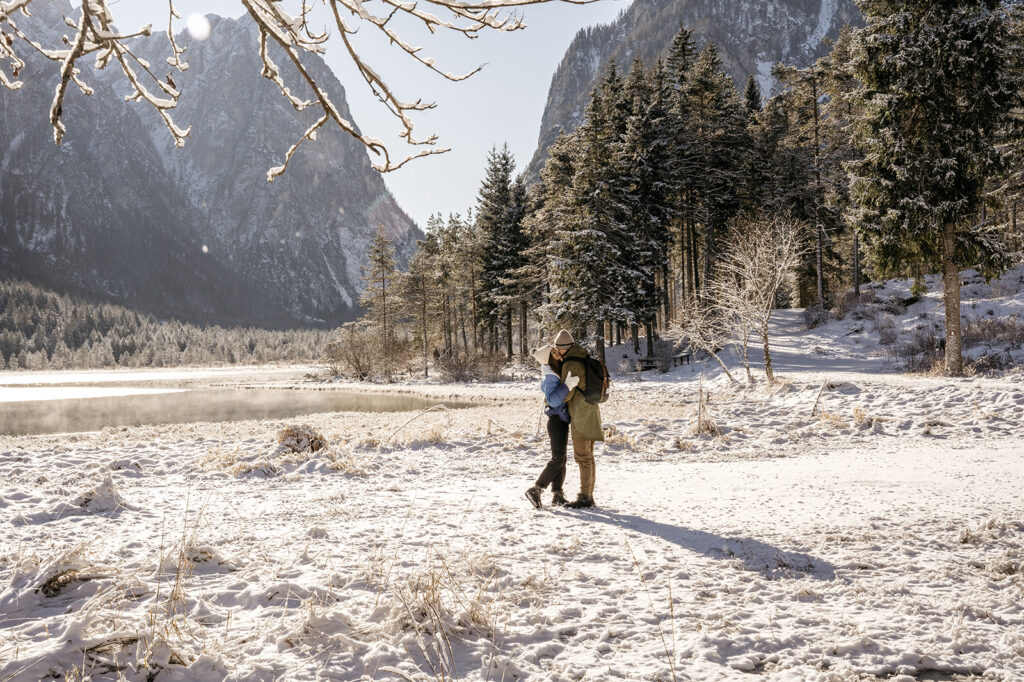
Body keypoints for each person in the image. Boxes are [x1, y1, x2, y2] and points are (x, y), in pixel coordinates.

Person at [551, 329, 603, 508]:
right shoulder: (581, 356)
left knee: (582, 457)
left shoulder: (571, 363)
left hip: (581, 413)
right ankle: (588, 494)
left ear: (562, 348)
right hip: (592, 410)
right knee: (589, 456)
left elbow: (567, 394)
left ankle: (585, 498)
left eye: (558, 349)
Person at [524, 344, 578, 508]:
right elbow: (553, 400)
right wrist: (568, 385)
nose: (558, 354)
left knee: (561, 459)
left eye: (556, 351)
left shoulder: (555, 372)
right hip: (555, 420)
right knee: (558, 459)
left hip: (560, 420)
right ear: (548, 358)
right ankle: (536, 489)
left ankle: (557, 495)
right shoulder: (550, 377)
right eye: (554, 353)